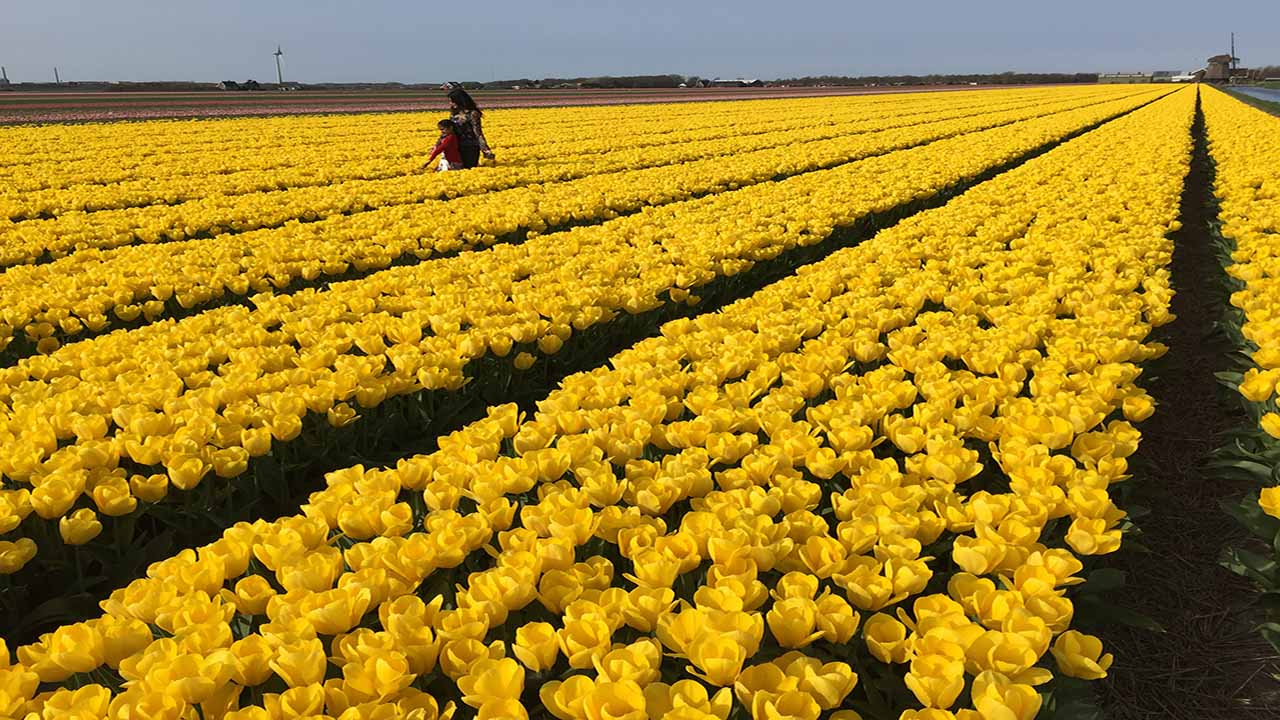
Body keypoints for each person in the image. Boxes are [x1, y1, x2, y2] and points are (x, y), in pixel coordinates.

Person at [444, 86, 495, 168]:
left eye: (452, 101)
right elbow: (449, 132)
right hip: (455, 147)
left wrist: (485, 150)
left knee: (468, 169)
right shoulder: (454, 114)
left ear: (459, 101)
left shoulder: (473, 114)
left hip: (470, 148)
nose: (450, 104)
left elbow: (478, 133)